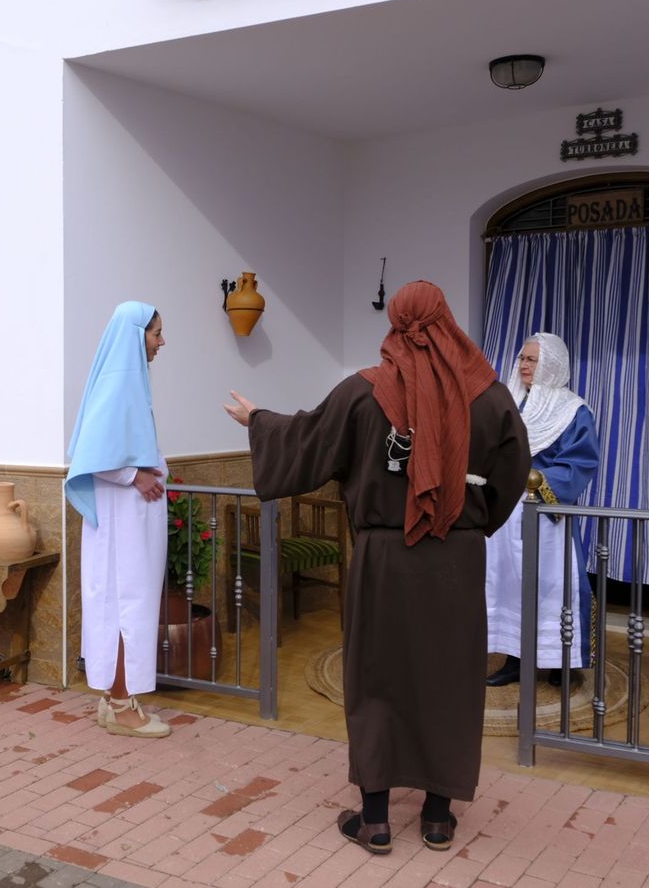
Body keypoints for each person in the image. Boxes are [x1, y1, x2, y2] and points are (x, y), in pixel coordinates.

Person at [224, 281, 530, 854]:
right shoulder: (488, 395)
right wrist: (469, 524)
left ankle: (375, 820)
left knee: (377, 679)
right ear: (446, 320)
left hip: (383, 562)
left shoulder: (364, 391)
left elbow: (308, 439)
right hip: (456, 561)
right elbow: (515, 470)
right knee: (448, 680)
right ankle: (438, 819)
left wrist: (257, 420)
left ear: (394, 323)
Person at [66, 301, 172, 738]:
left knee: (123, 600)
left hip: (126, 520)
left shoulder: (127, 383)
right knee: (128, 601)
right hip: (121, 523)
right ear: (135, 335)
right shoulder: (120, 385)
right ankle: (125, 708)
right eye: (156, 333)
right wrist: (134, 475)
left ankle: (113, 701)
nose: (162, 341)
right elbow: (88, 457)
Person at [484, 333, 601, 687]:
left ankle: (562, 663)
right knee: (510, 585)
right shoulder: (508, 403)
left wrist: (533, 480)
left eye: (532, 359)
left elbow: (579, 464)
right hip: (506, 514)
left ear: (552, 363)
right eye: (522, 358)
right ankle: (515, 659)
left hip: (548, 517)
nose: (523, 365)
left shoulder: (573, 410)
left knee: (553, 587)